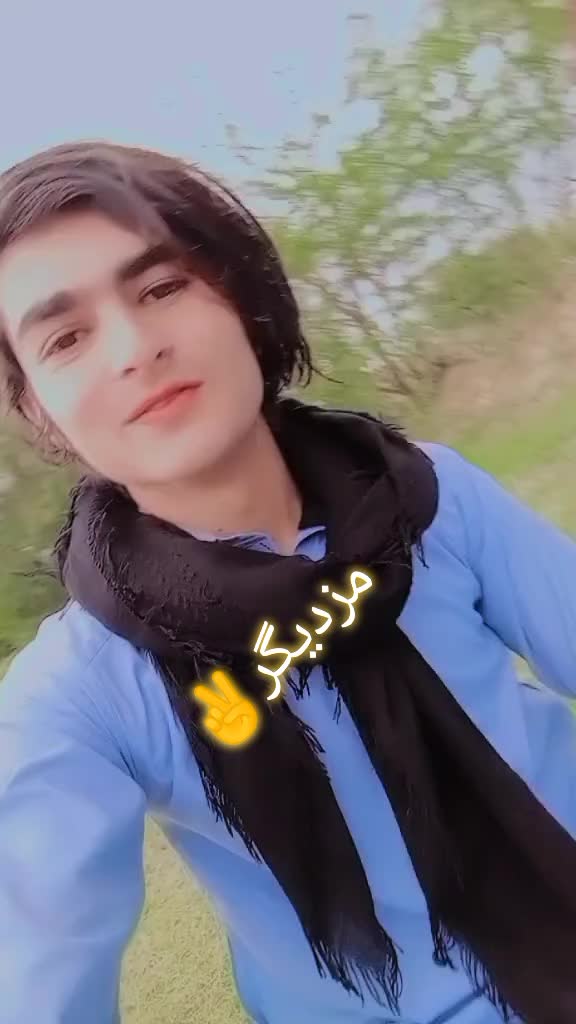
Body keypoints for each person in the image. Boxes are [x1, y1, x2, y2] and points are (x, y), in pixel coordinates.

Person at [0, 141, 576, 1024]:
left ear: (240, 292)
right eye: (66, 338)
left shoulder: (429, 495)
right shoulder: (81, 693)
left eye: (162, 287)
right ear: (37, 406)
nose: (136, 349)